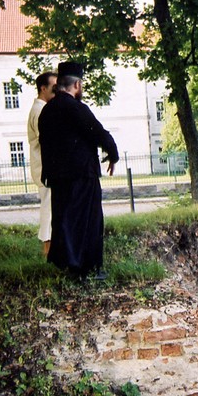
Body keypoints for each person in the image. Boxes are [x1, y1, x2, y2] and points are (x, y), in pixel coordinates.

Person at [38, 61, 119, 279]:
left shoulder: (47, 111)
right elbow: (99, 133)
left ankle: (67, 265)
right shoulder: (75, 108)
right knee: (88, 222)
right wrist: (113, 154)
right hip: (82, 175)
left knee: (64, 221)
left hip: (57, 178)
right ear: (77, 85)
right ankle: (87, 268)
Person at [27, 71, 57, 257]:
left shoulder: (41, 109)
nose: (57, 90)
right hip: (45, 168)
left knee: (51, 207)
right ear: (43, 88)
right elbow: (47, 140)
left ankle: (51, 249)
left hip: (45, 168)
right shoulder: (40, 111)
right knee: (49, 208)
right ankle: (48, 250)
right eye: (54, 87)